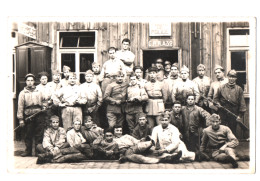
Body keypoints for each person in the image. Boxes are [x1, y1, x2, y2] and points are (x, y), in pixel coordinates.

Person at [17, 73, 46, 157]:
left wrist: (44, 106)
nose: (30, 82)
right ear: (25, 81)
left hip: (39, 114)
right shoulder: (23, 93)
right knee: (28, 133)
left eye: (31, 80)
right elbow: (20, 107)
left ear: (34, 81)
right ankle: (28, 151)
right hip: (28, 115)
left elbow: (45, 101)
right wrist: (21, 119)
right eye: (28, 80)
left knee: (39, 133)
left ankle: (38, 151)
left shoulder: (39, 91)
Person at [213, 69, 246, 136]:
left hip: (233, 112)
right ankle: (222, 144)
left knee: (232, 130)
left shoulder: (239, 89)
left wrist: (240, 115)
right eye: (230, 77)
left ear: (236, 78)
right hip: (222, 111)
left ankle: (231, 144)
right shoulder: (221, 87)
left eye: (233, 77)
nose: (231, 79)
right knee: (222, 129)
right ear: (227, 77)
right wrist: (218, 104)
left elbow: (242, 104)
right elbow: (215, 99)